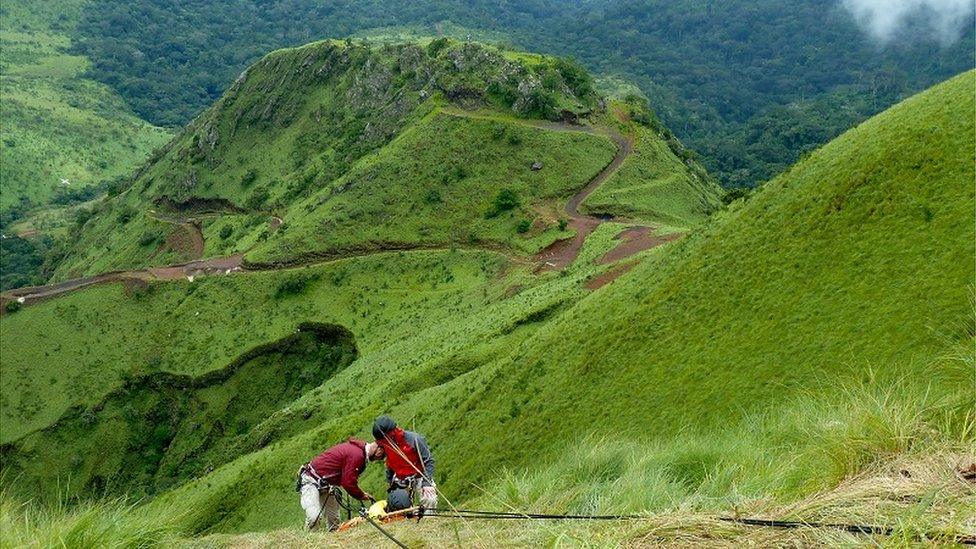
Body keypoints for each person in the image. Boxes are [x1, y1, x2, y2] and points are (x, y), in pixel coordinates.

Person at [297, 438, 384, 530]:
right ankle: (307, 538)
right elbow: (348, 483)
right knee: (314, 518)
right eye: (383, 455)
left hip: (326, 483)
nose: (380, 458)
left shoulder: (358, 451)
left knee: (334, 521)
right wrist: (361, 495)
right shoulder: (357, 455)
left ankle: (331, 541)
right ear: (379, 449)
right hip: (311, 480)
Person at [372, 415, 437, 510]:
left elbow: (429, 461)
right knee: (397, 503)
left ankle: (428, 520)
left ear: (392, 432)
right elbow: (390, 463)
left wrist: (426, 483)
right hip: (400, 479)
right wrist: (390, 481)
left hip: (419, 476)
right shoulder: (385, 444)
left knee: (429, 499)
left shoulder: (415, 440)